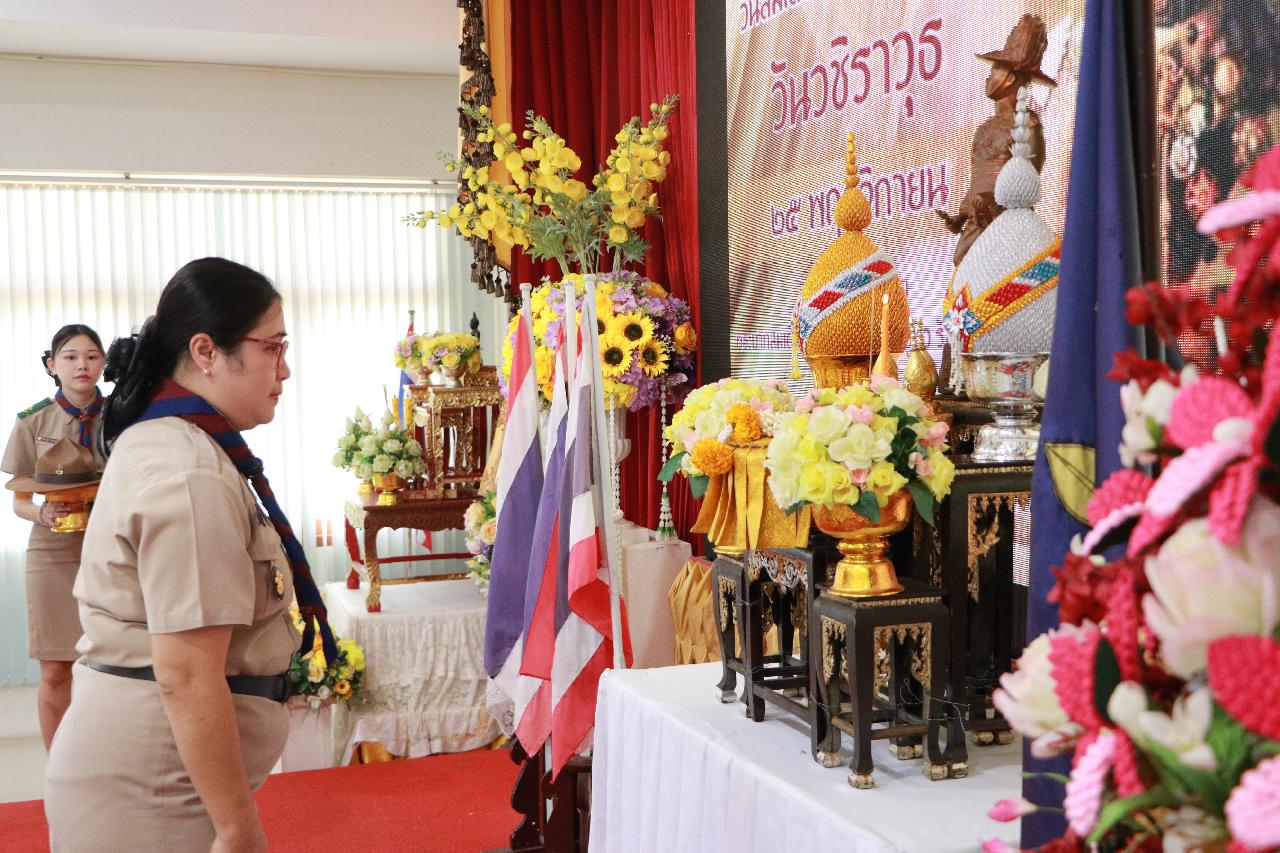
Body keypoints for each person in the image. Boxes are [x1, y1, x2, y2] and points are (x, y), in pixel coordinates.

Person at [43, 257, 336, 853]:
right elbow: (185, 674)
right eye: (272, 347)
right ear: (206, 351)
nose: (284, 369)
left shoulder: (182, 443)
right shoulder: (186, 470)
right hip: (154, 790)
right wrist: (238, 830)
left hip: (164, 773)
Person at [1, 324, 107, 750]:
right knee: (56, 669)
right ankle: (60, 768)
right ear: (52, 365)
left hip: (113, 549)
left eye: (92, 356)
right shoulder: (33, 420)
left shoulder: (123, 416)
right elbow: (19, 500)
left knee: (117, 665)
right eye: (70, 356)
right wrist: (41, 513)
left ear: (103, 363)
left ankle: (108, 759)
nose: (82, 365)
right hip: (53, 552)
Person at [937, 14, 1055, 265]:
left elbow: (1026, 178)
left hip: (1008, 226)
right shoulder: (984, 128)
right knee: (963, 267)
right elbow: (977, 180)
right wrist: (961, 215)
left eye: (993, 72)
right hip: (976, 224)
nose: (987, 79)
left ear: (1010, 78)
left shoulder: (1028, 124)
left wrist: (993, 203)